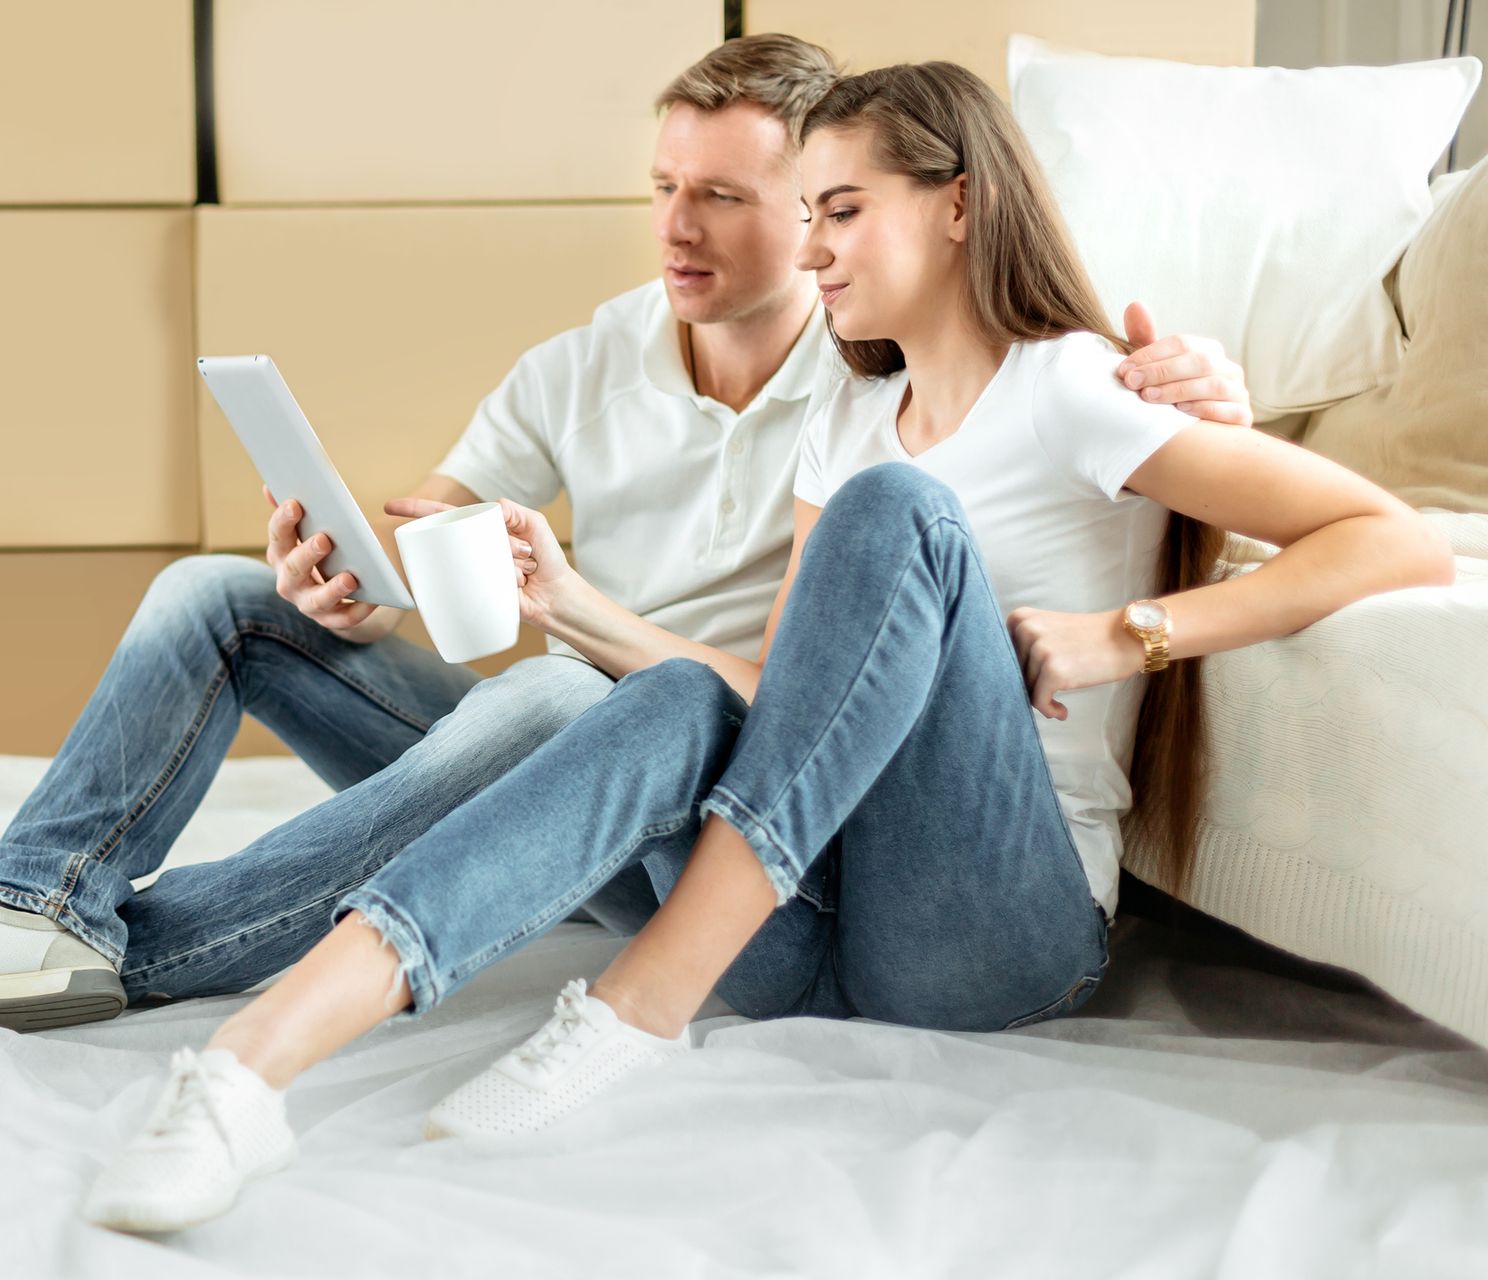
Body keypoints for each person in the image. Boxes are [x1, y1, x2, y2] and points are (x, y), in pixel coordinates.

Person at [73, 60, 1453, 1235]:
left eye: (839, 212)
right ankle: (249, 1073)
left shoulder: (1076, 389)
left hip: (996, 933)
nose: (816, 251)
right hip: (805, 936)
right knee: (677, 685)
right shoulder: (850, 420)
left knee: (900, 511)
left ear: (960, 205)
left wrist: (1130, 633)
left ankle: (635, 1004)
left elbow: (1396, 541)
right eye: (807, 218)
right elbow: (792, 701)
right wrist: (588, 618)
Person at [0, 36, 1247, 1049]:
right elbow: (439, 524)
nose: (677, 229)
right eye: (665, 188)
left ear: (823, 216)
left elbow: (834, 668)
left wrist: (1219, 398)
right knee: (216, 599)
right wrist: (343, 569)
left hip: (702, 753)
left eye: (728, 197)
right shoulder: (590, 356)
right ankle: (28, 901)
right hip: (595, 767)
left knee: (553, 699)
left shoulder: (881, 379)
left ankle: (125, 959)